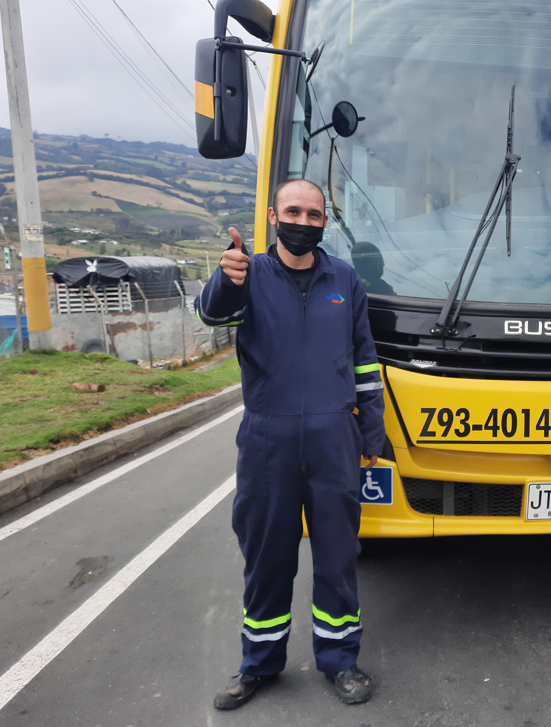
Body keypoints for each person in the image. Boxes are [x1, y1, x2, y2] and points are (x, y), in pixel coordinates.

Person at [195, 179, 385, 710]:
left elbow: (365, 359)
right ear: (274, 218)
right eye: (293, 212)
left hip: (334, 439)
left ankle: (340, 660)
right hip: (267, 439)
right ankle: (258, 663)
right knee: (267, 555)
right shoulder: (248, 274)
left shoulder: (344, 279)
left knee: (337, 556)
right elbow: (211, 315)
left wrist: (371, 431)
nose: (304, 222)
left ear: (325, 222)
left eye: (314, 214)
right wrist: (225, 280)